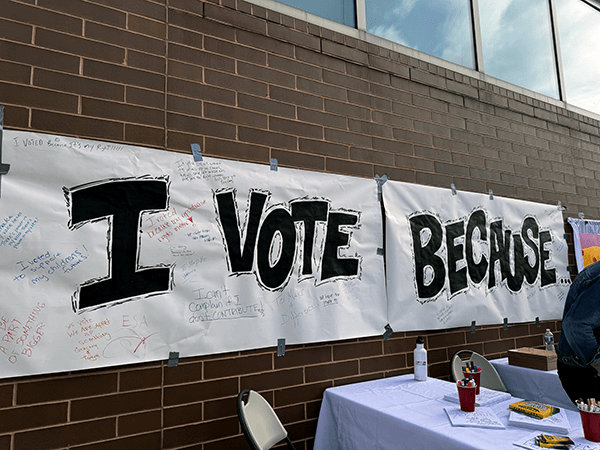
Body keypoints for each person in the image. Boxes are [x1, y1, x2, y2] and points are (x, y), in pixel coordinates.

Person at [557, 259, 600, 405]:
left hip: (586, 367)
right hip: (586, 371)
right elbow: (576, 325)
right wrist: (599, 364)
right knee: (592, 425)